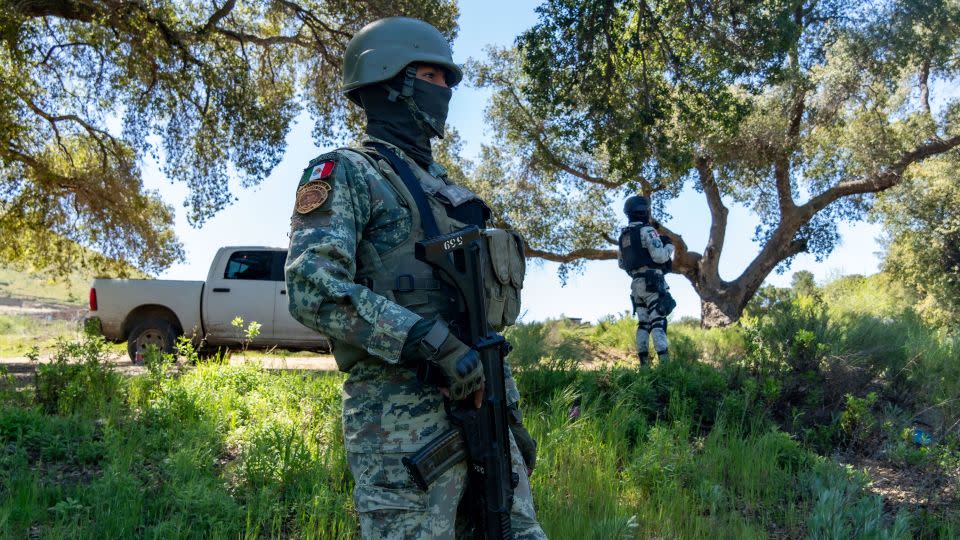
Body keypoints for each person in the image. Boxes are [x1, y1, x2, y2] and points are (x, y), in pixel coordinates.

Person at [284, 17, 546, 539]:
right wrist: (427, 342)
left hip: (484, 409)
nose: (446, 90)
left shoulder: (448, 191)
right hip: (397, 427)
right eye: (434, 75)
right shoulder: (348, 172)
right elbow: (311, 286)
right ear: (391, 80)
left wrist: (507, 409)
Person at [617, 195, 676, 365]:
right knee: (658, 321)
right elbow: (659, 256)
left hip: (636, 285)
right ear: (643, 211)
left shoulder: (623, 237)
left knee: (643, 324)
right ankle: (665, 367)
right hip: (652, 282)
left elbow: (622, 264)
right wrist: (668, 245)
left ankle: (644, 367)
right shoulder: (647, 231)